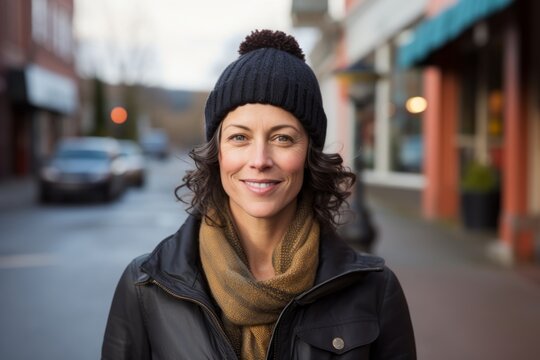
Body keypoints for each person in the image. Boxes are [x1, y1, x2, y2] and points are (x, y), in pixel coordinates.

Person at [102, 29, 416, 360]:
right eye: (240, 138)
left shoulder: (374, 291)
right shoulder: (146, 287)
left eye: (282, 138)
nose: (259, 160)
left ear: (309, 153)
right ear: (217, 152)